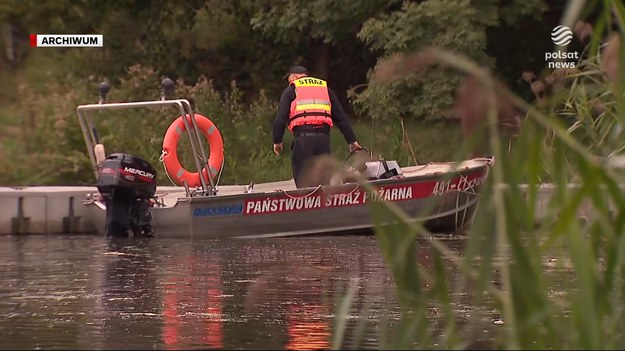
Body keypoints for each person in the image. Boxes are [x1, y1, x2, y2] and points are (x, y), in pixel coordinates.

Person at [272, 65, 362, 188]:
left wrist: (277, 141)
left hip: (303, 141)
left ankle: (307, 204)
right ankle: (323, 206)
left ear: (294, 77)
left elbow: (280, 118)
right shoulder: (325, 89)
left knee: (303, 183)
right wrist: (352, 141)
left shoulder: (292, 90)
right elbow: (341, 118)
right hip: (323, 141)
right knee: (323, 184)